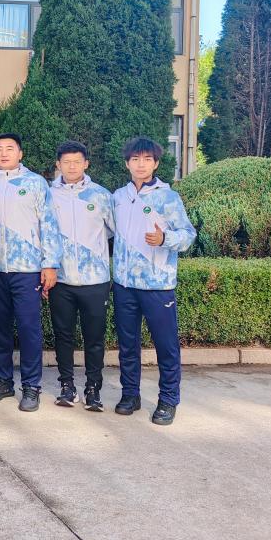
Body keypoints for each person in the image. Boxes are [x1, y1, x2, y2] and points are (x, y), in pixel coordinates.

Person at [112, 136, 196, 426]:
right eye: (135, 159)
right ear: (127, 163)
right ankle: (130, 395)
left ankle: (168, 400)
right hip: (124, 285)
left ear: (156, 163)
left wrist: (164, 239)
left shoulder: (168, 198)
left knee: (166, 345)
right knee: (127, 345)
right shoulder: (118, 197)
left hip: (158, 285)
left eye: (147, 159)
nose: (141, 164)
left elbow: (188, 236)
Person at [0, 133, 62, 413]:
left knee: (29, 329)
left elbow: (49, 224)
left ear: (20, 153)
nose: (4, 153)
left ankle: (31, 386)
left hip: (27, 269)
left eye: (10, 148)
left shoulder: (35, 183)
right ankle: (4, 380)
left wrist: (49, 263)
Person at [47, 141, 114, 412]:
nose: (72, 166)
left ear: (86, 163)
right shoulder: (48, 195)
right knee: (63, 336)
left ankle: (93, 389)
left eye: (77, 161)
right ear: (58, 165)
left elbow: (113, 230)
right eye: (66, 162)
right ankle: (67, 386)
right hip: (60, 279)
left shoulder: (101, 195)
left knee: (94, 337)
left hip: (95, 280)